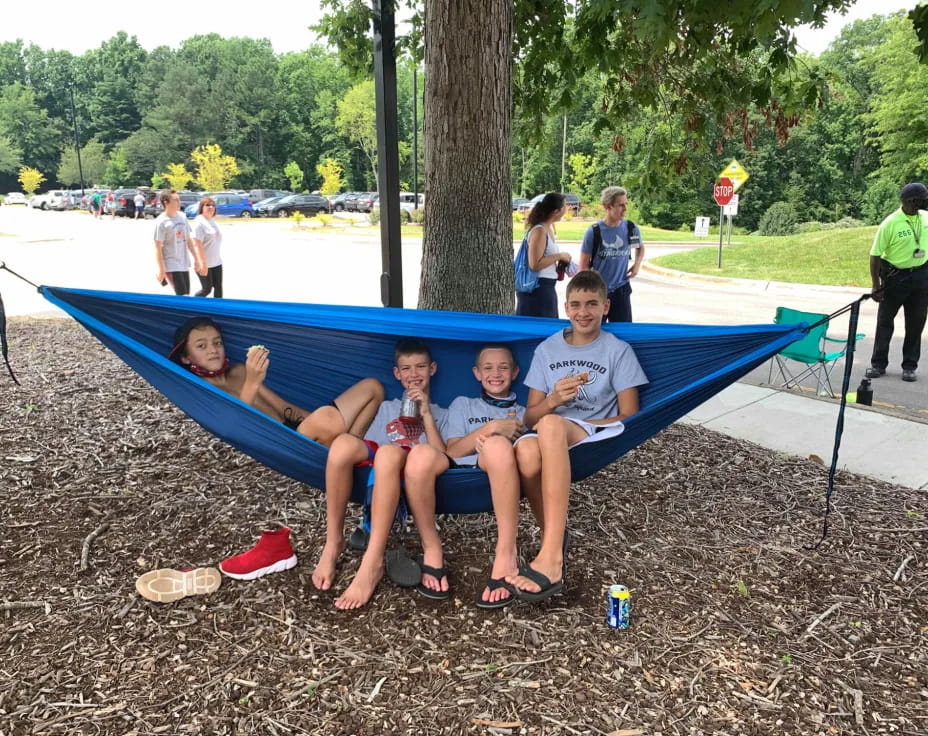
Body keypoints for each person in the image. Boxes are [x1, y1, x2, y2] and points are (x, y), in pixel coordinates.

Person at [167, 316, 384, 580]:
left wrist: (317, 419)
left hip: (301, 433)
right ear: (187, 358)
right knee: (327, 417)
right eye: (201, 346)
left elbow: (284, 410)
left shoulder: (238, 371)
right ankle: (346, 446)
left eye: (217, 342)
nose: (213, 349)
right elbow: (235, 425)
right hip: (281, 444)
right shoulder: (202, 391)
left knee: (372, 387)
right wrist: (253, 382)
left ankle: (349, 447)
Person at [507, 270, 648, 602]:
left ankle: (552, 557)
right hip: (547, 430)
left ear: (606, 306)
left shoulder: (617, 350)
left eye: (591, 304)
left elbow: (630, 414)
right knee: (527, 454)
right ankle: (553, 534)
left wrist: (575, 420)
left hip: (596, 431)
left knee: (554, 425)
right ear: (565, 308)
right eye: (575, 304)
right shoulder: (547, 349)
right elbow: (530, 417)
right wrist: (555, 400)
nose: (583, 312)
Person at [311, 338, 449, 610]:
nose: (414, 375)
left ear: (432, 369)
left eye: (420, 367)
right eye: (406, 369)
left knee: (388, 453)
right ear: (397, 374)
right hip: (379, 459)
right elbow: (363, 444)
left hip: (413, 463)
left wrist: (426, 414)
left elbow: (442, 455)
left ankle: (372, 561)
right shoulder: (386, 408)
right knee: (341, 445)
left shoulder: (443, 413)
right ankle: (333, 541)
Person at [402, 344, 525, 608]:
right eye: (488, 368)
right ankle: (432, 548)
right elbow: (453, 451)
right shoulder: (463, 404)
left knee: (497, 447)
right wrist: (492, 427)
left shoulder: (523, 414)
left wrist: (491, 442)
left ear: (514, 373)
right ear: (477, 373)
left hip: (491, 474)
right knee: (420, 454)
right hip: (453, 471)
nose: (496, 373)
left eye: (503, 367)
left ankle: (506, 553)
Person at [865, 182, 928, 383]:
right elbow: (875, 256)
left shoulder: (926, 218)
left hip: (920, 275)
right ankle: (878, 364)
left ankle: (909, 366)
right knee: (885, 322)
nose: (924, 202)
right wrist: (876, 285)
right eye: (921, 199)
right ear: (911, 201)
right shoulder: (891, 223)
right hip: (895, 276)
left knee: (916, 323)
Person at [579, 186, 645, 323]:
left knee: (623, 333)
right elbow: (583, 266)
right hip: (598, 292)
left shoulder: (630, 228)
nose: (625, 209)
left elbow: (640, 248)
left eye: (626, 204)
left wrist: (637, 264)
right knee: (595, 332)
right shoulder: (594, 232)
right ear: (607, 206)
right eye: (621, 205)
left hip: (621, 290)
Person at [515, 193, 574, 318]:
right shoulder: (539, 231)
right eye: (564, 206)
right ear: (556, 211)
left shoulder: (548, 228)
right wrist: (559, 256)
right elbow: (534, 264)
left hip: (547, 287)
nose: (566, 209)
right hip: (537, 289)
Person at [154, 188, 206, 295]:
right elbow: (158, 247)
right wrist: (161, 269)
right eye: (175, 200)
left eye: (179, 199)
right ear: (166, 202)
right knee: (183, 296)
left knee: (185, 295)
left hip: (183, 262)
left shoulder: (182, 217)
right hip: (171, 263)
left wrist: (196, 259)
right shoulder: (161, 222)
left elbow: (189, 240)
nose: (179, 202)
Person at [192, 197, 224, 298]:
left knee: (218, 287)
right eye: (207, 205)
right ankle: (193, 304)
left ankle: (218, 310)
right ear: (201, 207)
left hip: (216, 262)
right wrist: (202, 263)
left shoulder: (211, 221)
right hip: (204, 263)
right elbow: (197, 244)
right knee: (206, 289)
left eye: (213, 205)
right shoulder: (199, 223)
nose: (211, 207)